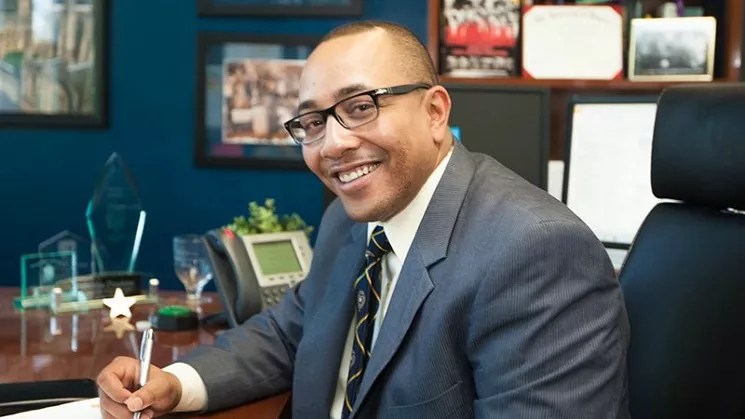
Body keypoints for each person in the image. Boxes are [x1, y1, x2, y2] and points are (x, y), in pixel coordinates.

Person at [96, 20, 630, 419]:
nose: (333, 144)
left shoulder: (536, 250)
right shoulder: (348, 220)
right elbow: (289, 334)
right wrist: (175, 383)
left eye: (360, 107)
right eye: (312, 122)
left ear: (435, 112)